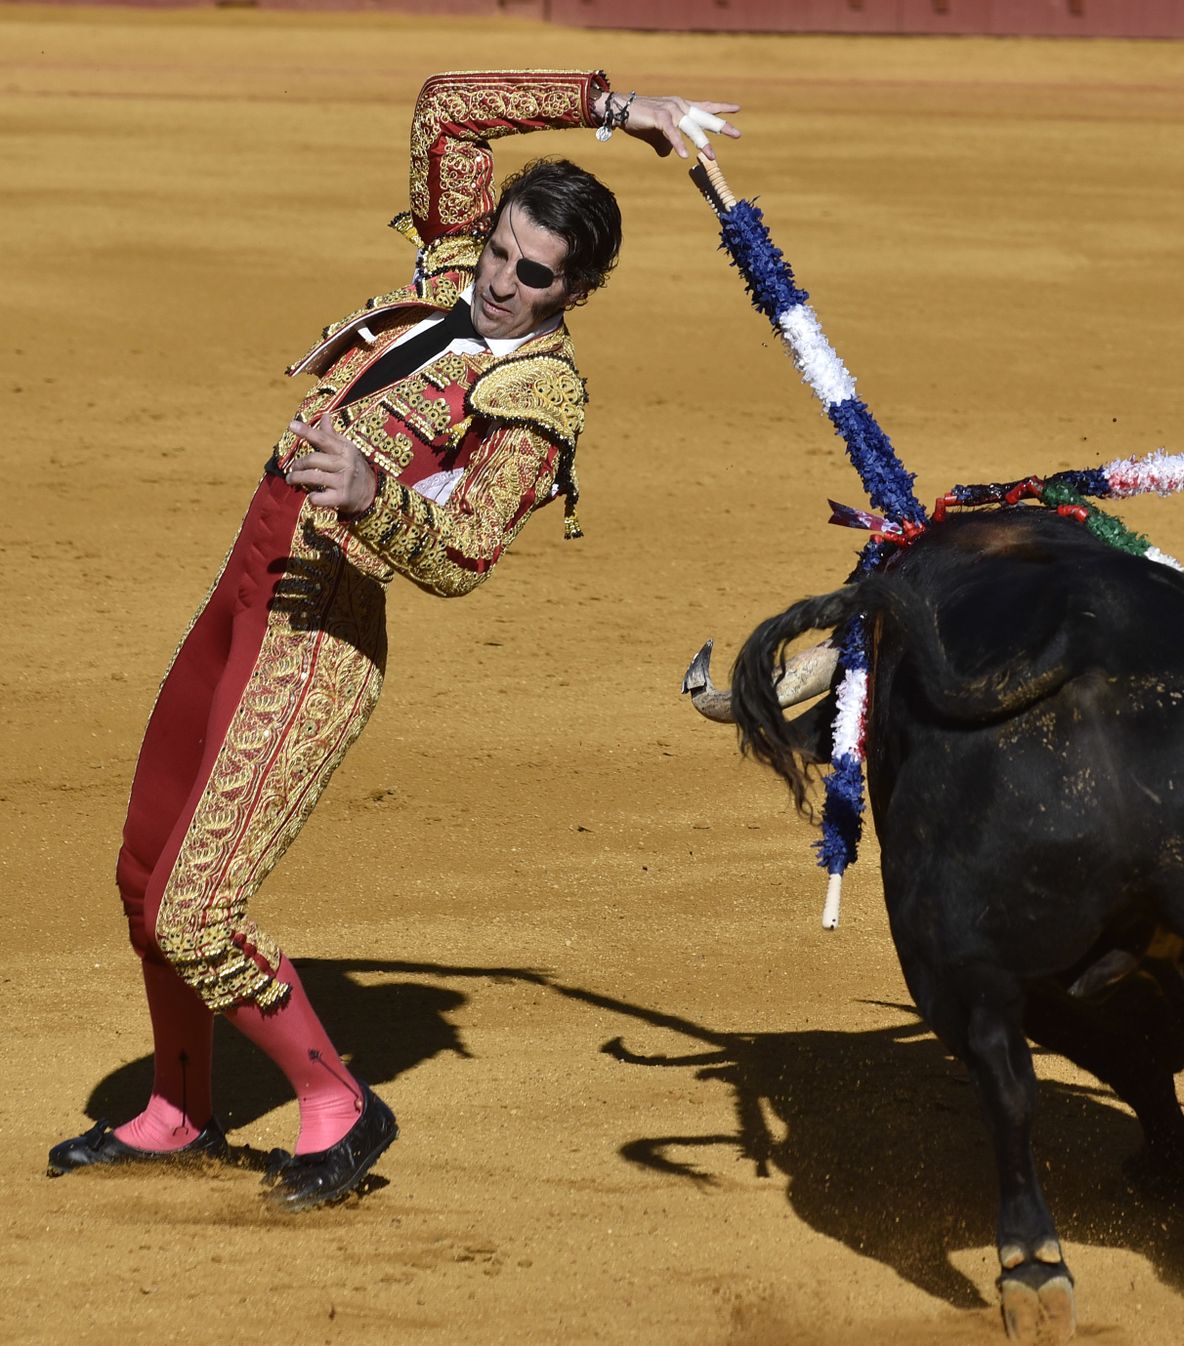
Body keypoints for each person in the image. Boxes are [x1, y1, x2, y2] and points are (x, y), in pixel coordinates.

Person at [46, 69, 739, 1211]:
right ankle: (179, 1107)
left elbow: (464, 555)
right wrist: (613, 110)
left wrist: (372, 490)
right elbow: (445, 111)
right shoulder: (448, 278)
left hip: (318, 636)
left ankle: (338, 1103)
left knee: (197, 910)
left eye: (535, 273)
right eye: (502, 250)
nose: (503, 281)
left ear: (579, 288)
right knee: (144, 873)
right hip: (241, 592)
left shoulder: (541, 398)